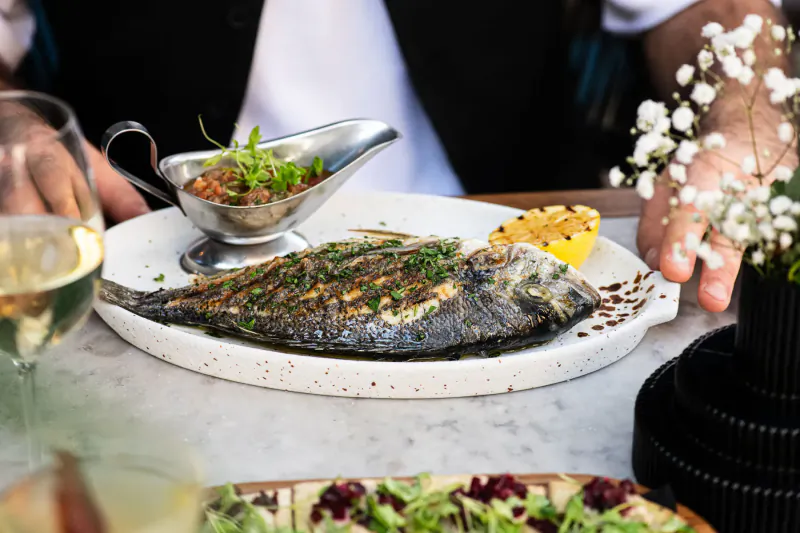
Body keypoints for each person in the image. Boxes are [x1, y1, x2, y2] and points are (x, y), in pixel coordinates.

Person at [0, 0, 792, 314]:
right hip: (141, 273)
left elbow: (707, 8)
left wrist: (745, 114)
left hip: (511, 265)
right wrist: (15, 128)